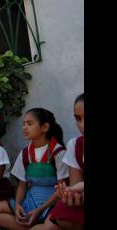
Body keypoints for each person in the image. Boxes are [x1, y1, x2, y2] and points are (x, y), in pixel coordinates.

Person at [0, 108, 69, 230]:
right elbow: (22, 185)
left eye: (29, 124)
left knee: (51, 227)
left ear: (44, 127)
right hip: (30, 200)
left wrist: (40, 210)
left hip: (51, 204)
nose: (24, 127)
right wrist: (18, 205)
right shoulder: (25, 153)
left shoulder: (58, 152)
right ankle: (30, 225)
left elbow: (62, 189)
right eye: (24, 124)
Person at [33, 93, 84, 230]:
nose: (82, 125)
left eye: (30, 123)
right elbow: (76, 185)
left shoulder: (57, 151)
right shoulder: (75, 145)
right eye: (78, 119)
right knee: (51, 224)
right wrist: (71, 192)